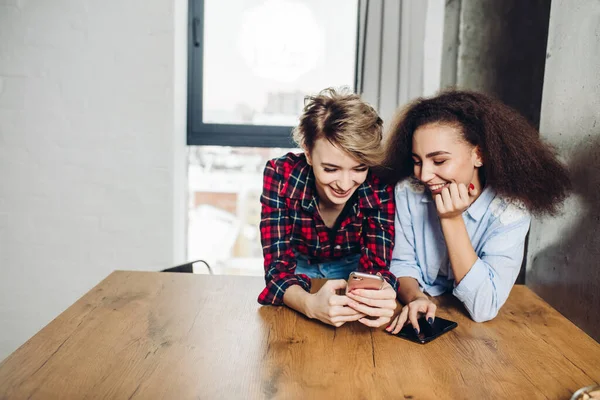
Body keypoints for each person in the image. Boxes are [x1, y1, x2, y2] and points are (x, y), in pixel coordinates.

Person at [382, 90, 571, 334]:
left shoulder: (509, 212)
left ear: (478, 155)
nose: (424, 175)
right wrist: (416, 297)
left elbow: (484, 307)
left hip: (482, 335)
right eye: (417, 161)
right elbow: (402, 263)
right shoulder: (409, 191)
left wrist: (451, 219)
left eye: (439, 161)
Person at [257, 87, 398, 328]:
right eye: (331, 169)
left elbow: (377, 267)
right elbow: (277, 269)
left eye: (359, 169)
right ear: (308, 152)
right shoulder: (280, 175)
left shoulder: (379, 184)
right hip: (297, 269)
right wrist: (309, 305)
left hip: (354, 271)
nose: (344, 184)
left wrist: (382, 293)